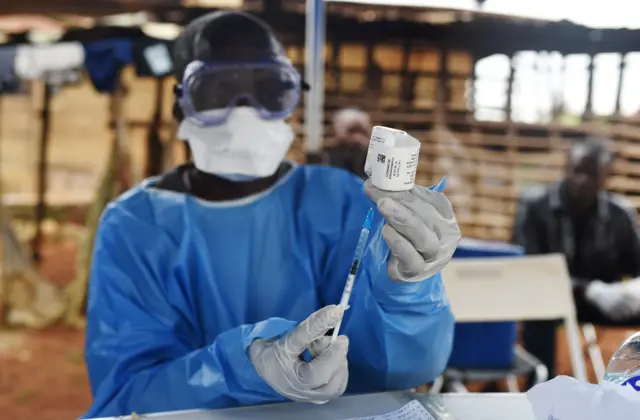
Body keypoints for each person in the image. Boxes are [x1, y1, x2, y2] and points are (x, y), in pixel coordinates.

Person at [83, 11, 460, 418]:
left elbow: (402, 369)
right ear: (181, 104)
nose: (243, 111)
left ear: (293, 99)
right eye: (217, 90)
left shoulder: (340, 201)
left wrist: (406, 294)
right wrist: (243, 369)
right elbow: (125, 398)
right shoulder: (136, 226)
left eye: (268, 90)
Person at [513, 137, 640, 386]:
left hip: (604, 303)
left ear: (606, 177)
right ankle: (542, 393)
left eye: (592, 174)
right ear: (566, 168)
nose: (582, 180)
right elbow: (529, 269)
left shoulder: (620, 215)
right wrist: (589, 289)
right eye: (577, 171)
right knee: (541, 314)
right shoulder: (535, 207)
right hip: (548, 300)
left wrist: (630, 292)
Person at [319, 108, 371, 179]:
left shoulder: (370, 154)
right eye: (352, 131)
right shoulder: (329, 155)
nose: (357, 137)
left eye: (361, 132)